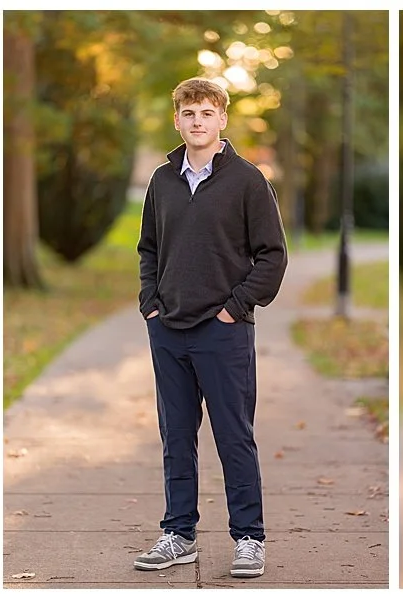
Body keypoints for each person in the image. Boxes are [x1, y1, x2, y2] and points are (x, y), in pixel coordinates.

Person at [133, 77, 288, 578]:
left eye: (206, 113)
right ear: (176, 120)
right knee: (176, 436)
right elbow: (149, 250)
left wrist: (235, 307)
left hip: (223, 331)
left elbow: (272, 257)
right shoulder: (161, 180)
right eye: (188, 113)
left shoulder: (248, 181)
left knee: (233, 436)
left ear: (222, 119)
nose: (197, 121)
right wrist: (149, 304)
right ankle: (178, 533)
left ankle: (249, 538)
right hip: (169, 329)